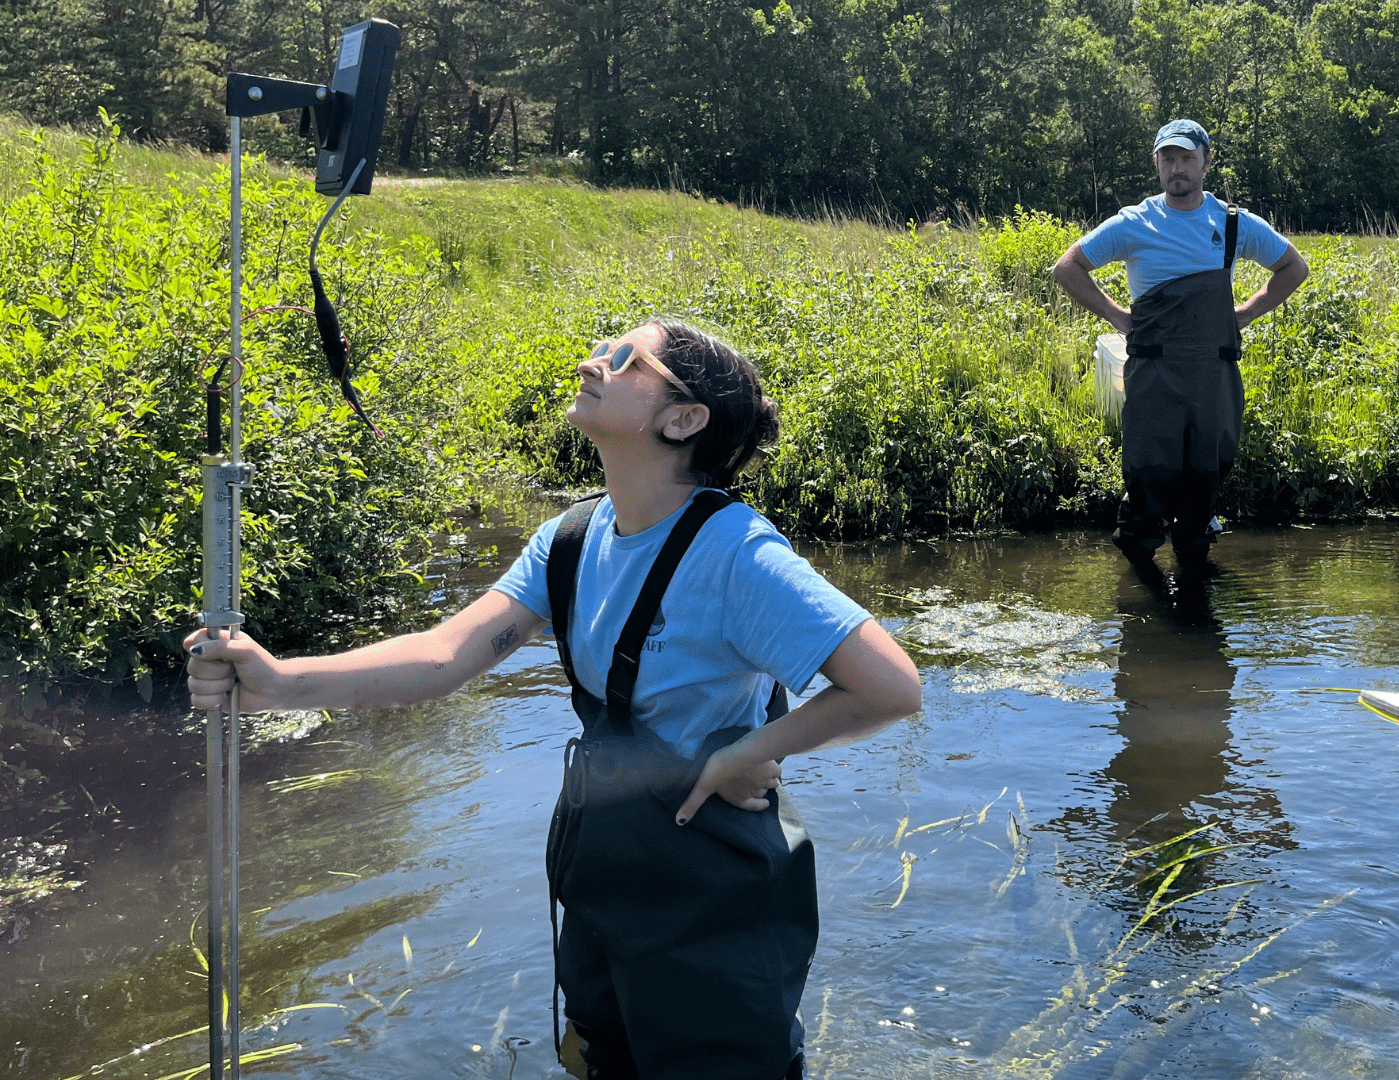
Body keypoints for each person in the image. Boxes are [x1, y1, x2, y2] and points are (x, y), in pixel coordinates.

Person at [184, 318, 923, 1080]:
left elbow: (892, 686)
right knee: (600, 1058)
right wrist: (278, 681)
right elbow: (444, 658)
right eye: (603, 348)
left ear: (682, 419)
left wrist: (749, 749)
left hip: (715, 890)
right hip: (603, 868)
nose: (590, 361)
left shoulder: (738, 554)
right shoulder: (569, 539)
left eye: (623, 358)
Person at [1051, 118, 1309, 573]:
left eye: (1187, 157)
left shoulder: (1233, 225)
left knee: (1204, 482)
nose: (1178, 168)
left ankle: (1193, 576)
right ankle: (1141, 578)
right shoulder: (1133, 223)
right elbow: (1067, 269)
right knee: (1148, 477)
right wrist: (1119, 317)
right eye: (1168, 158)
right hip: (1153, 374)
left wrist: (1245, 313)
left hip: (1213, 375)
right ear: (1156, 164)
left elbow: (1293, 267)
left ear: (1207, 161)